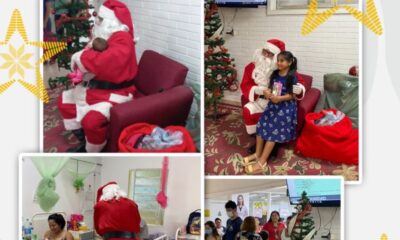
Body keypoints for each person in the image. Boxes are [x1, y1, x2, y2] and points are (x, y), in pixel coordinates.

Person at [57, 0, 138, 152]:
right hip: (96, 89)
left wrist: (81, 57)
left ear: (113, 21)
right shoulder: (105, 36)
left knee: (92, 121)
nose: (97, 22)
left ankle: (93, 149)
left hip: (116, 93)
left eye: (100, 19)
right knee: (65, 102)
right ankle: (86, 140)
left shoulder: (122, 38)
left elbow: (105, 61)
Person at [240, 39, 305, 157]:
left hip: (277, 103)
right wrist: (260, 90)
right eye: (264, 51)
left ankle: (267, 150)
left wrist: (296, 89)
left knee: (271, 121)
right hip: (258, 100)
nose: (265, 56)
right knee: (249, 112)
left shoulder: (283, 71)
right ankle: (259, 146)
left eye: (269, 54)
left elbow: (297, 85)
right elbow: (245, 85)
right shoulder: (252, 67)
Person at [244, 51, 299, 174]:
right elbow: (273, 89)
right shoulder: (275, 74)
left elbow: (293, 96)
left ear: (289, 62)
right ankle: (258, 154)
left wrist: (279, 98)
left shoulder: (292, 77)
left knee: (272, 132)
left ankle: (262, 161)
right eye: (278, 60)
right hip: (273, 104)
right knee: (261, 126)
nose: (279, 63)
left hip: (285, 107)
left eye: (282, 61)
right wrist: (268, 93)